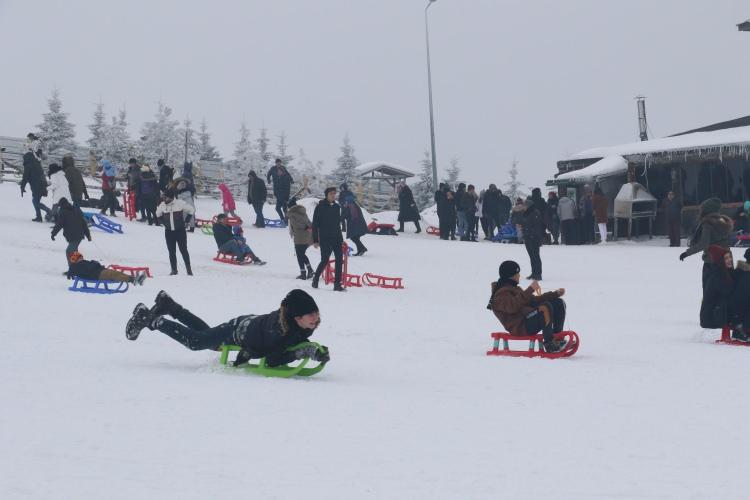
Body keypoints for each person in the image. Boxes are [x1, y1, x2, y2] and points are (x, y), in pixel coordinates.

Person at [124, 289, 330, 368]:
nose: (316, 318)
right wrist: (302, 351)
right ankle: (149, 318)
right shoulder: (278, 330)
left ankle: (169, 306)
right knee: (197, 342)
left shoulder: (294, 323)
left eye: (316, 313)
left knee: (205, 335)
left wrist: (310, 349)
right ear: (297, 317)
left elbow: (290, 342)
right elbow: (271, 358)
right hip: (237, 332)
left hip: (247, 325)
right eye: (311, 315)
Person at [487, 260, 568, 353]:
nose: (519, 276)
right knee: (544, 308)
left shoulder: (515, 289)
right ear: (511, 276)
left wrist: (555, 294)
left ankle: (558, 338)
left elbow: (534, 301)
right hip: (520, 327)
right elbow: (513, 306)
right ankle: (550, 344)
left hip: (527, 319)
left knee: (558, 303)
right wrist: (530, 290)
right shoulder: (500, 294)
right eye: (517, 273)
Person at [311, 187, 345, 291]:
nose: (333, 195)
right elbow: (315, 225)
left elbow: (337, 224)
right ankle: (315, 279)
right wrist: (315, 240)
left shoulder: (337, 207)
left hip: (336, 238)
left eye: (334, 194)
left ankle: (337, 284)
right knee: (325, 260)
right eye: (331, 194)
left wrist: (341, 238)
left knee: (339, 260)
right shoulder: (320, 207)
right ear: (326, 195)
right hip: (325, 238)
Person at [156, 191, 194, 276]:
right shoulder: (162, 205)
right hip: (169, 232)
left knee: (183, 250)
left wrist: (187, 221)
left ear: (171, 197)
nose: (164, 199)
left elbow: (191, 209)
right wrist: (163, 222)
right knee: (171, 251)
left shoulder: (179, 203)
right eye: (163, 198)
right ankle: (174, 270)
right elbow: (158, 214)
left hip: (180, 231)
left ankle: (189, 269)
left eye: (165, 198)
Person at [51, 198, 91, 273]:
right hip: (78, 235)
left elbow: (59, 224)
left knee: (69, 251)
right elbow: (84, 223)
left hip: (75, 236)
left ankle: (72, 270)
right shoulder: (75, 209)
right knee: (74, 252)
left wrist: (53, 233)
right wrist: (88, 235)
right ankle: (81, 268)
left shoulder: (63, 212)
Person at [700, 245, 734, 331]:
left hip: (717, 313)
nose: (730, 260)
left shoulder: (726, 272)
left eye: (730, 257)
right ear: (720, 261)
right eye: (726, 258)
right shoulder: (717, 276)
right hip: (711, 318)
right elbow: (729, 293)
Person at [67, 251, 147, 286]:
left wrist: (95, 264)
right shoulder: (76, 266)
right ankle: (132, 280)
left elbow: (91, 265)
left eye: (81, 257)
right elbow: (86, 269)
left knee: (117, 273)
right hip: (97, 275)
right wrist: (94, 264)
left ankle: (136, 279)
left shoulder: (83, 263)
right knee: (113, 275)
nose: (82, 258)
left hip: (100, 271)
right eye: (80, 258)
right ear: (76, 259)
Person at [20, 144, 50, 222]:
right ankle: (39, 217)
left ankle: (49, 211)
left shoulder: (28, 165)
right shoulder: (37, 163)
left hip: (37, 186)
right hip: (41, 185)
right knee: (36, 201)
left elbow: (25, 177)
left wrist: (22, 187)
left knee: (35, 202)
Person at [287, 198, 315, 279]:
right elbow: (309, 223)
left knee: (300, 255)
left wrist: (304, 227)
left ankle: (303, 273)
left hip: (299, 237)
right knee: (302, 254)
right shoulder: (302, 212)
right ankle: (310, 270)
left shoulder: (292, 214)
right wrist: (308, 228)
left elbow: (296, 226)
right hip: (307, 236)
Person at [522, 188, 547, 280]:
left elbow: (537, 226)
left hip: (534, 238)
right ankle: (533, 272)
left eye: (525, 205)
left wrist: (532, 235)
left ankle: (538, 274)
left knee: (536, 256)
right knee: (532, 256)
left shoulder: (534, 212)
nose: (523, 206)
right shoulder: (527, 213)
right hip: (528, 237)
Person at [729, 248, 750, 341]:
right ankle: (740, 332)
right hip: (738, 313)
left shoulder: (742, 272)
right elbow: (741, 299)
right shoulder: (745, 275)